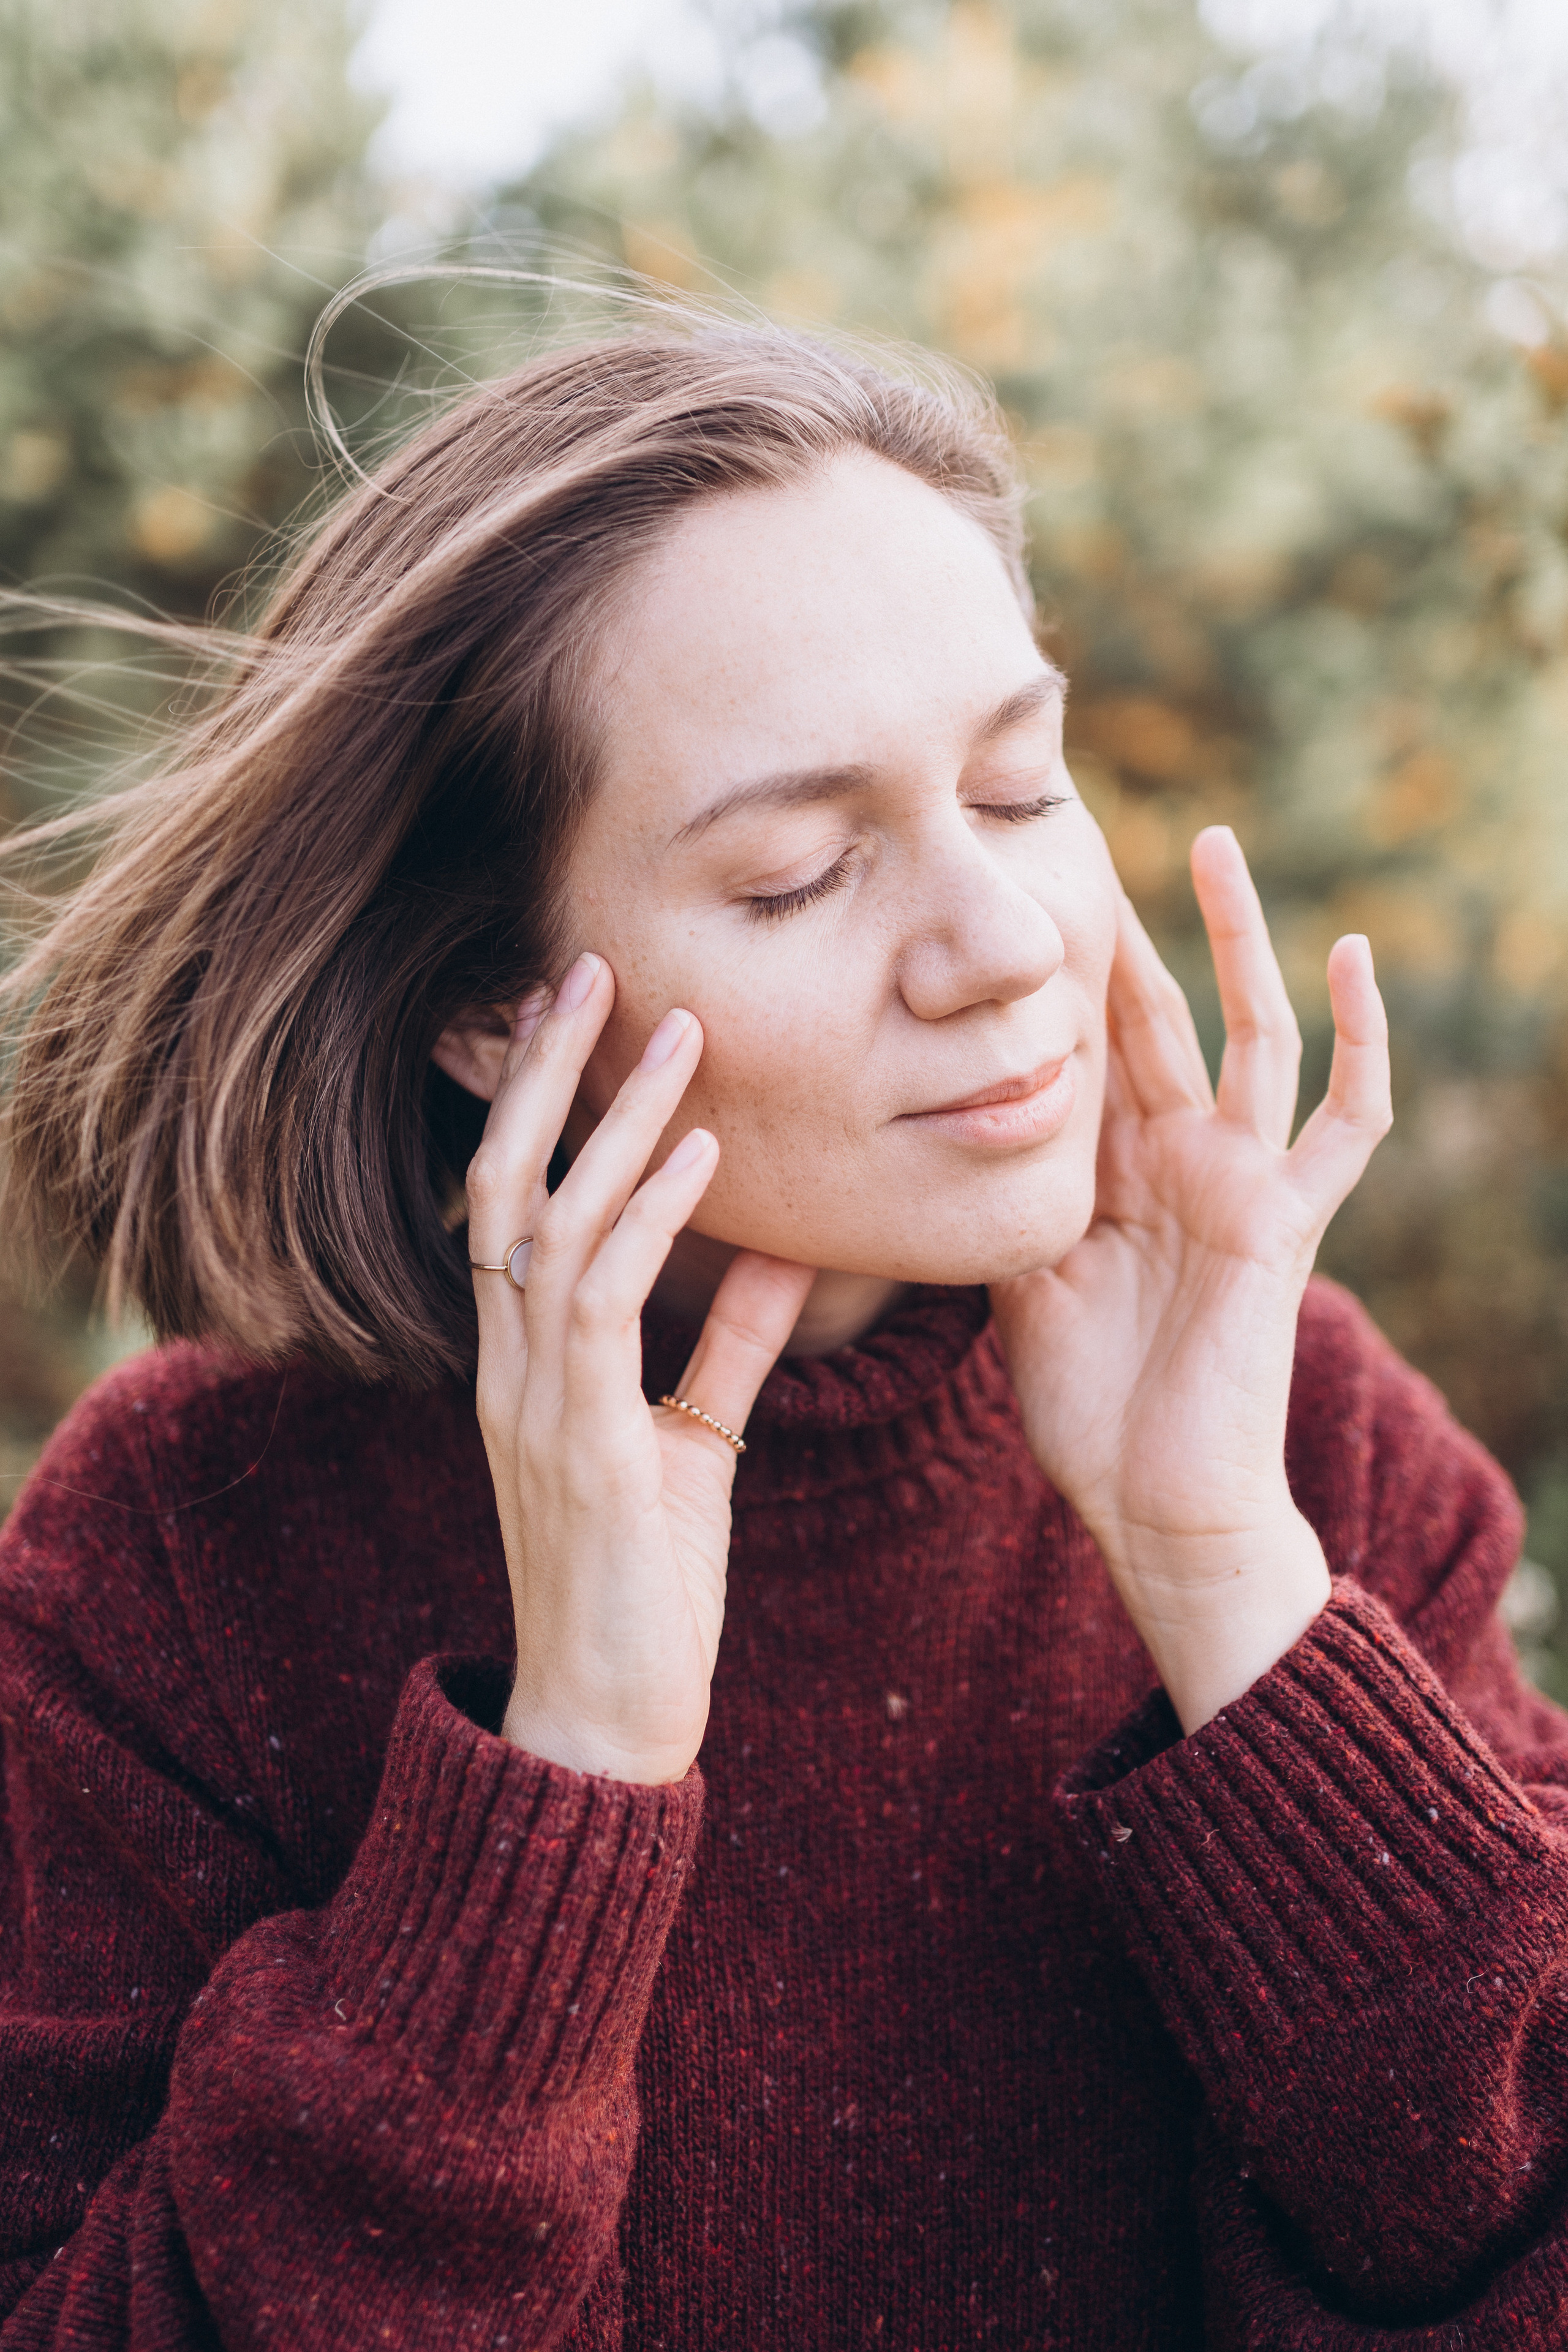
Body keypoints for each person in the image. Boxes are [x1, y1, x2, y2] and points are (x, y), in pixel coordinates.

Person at [1, 317, 1565, 2352]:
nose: (1004, 949)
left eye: (1019, 789)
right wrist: (564, 1776)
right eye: (802, 873)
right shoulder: (187, 1546)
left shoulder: (1310, 1433)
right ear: (491, 1012)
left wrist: (1226, 1587)